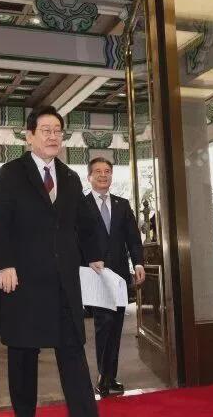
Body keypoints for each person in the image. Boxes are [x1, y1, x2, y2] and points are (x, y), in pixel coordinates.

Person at [0, 106, 103, 417]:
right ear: (29, 136)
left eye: (57, 131)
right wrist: (4, 264)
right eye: (46, 131)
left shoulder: (70, 177)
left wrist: (94, 257)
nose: (53, 136)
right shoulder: (11, 174)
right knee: (23, 356)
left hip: (64, 283)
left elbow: (84, 224)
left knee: (73, 353)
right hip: (24, 280)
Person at [85, 157, 146, 397]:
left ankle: (110, 376)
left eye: (107, 171)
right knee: (104, 324)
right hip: (95, 274)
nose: (103, 175)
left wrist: (138, 263)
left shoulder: (122, 204)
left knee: (116, 325)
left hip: (119, 275)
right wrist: (88, 258)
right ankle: (103, 376)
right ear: (89, 177)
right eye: (98, 171)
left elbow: (133, 238)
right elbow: (75, 238)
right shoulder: (81, 205)